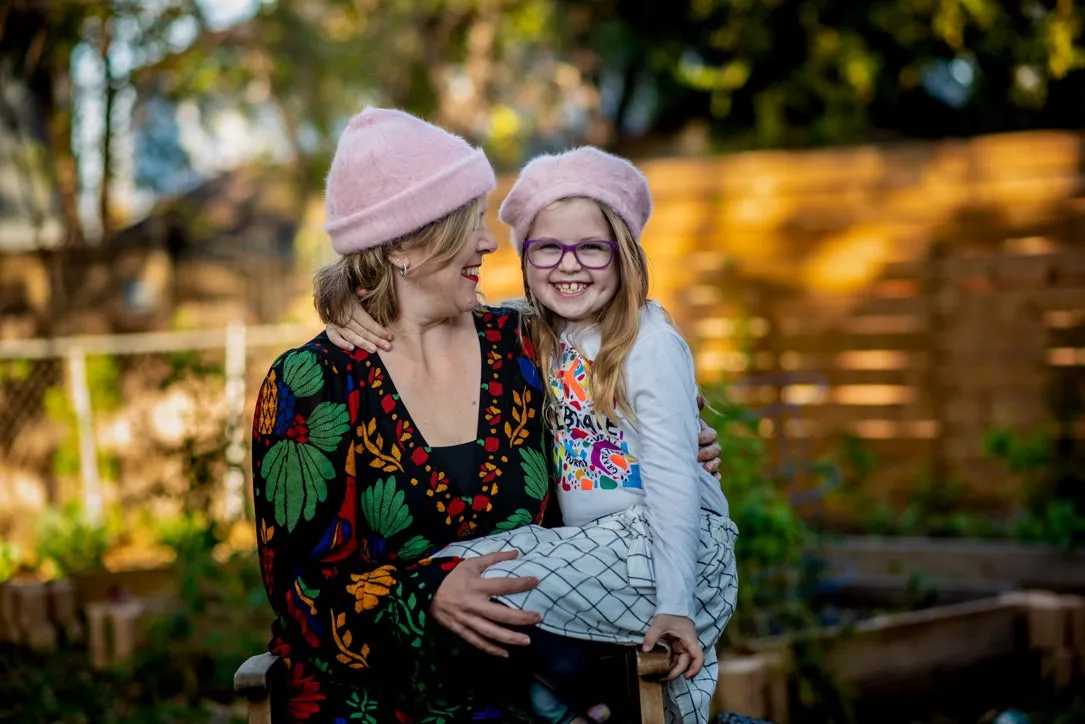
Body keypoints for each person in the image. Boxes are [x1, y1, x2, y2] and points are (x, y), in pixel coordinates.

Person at [252, 108, 724, 724]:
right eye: (470, 223)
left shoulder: (523, 346)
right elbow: (299, 590)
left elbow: (624, 406)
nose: (490, 242)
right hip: (381, 702)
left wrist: (680, 443)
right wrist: (427, 596)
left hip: (537, 692)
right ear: (403, 245)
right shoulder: (315, 384)